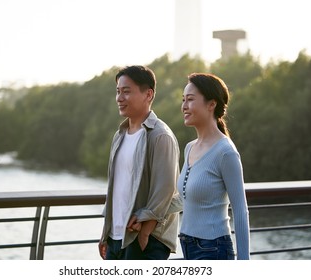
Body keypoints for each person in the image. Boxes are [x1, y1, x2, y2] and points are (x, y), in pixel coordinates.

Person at [98, 65, 181, 260]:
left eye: (126, 92)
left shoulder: (160, 136)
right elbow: (116, 190)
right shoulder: (119, 136)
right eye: (118, 92)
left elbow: (166, 190)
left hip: (145, 240)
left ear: (148, 94)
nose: (119, 98)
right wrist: (106, 233)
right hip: (116, 238)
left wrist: (144, 231)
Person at [178, 73, 250, 260]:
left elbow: (241, 211)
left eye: (190, 100)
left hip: (213, 249)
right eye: (183, 100)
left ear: (212, 104)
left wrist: (245, 265)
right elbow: (187, 197)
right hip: (187, 245)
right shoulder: (189, 148)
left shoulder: (226, 153)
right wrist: (148, 216)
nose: (184, 106)